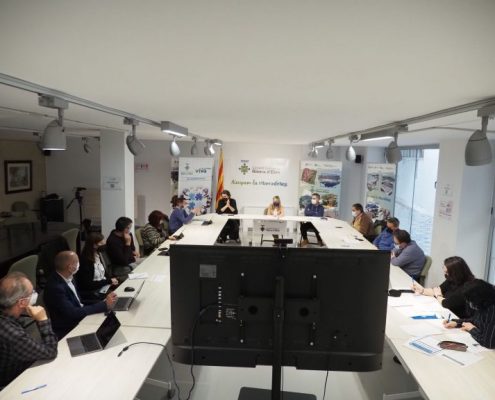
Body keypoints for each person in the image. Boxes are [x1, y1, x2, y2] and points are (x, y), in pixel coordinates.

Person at [0, 272, 58, 387]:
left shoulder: (6, 314)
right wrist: (43, 320)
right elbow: (50, 351)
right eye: (32, 292)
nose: (35, 294)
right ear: (22, 302)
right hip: (10, 384)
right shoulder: (13, 334)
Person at [44, 251, 117, 339]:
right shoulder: (55, 288)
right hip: (70, 327)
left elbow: (78, 299)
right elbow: (73, 313)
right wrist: (103, 305)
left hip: (80, 315)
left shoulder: (68, 275)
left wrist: (103, 300)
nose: (79, 264)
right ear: (70, 267)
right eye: (77, 262)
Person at [443, 279, 495, 349]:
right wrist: (457, 323)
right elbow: (476, 320)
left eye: (471, 301)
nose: (470, 304)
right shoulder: (484, 302)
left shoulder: (491, 309)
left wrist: (471, 329)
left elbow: (488, 343)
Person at [76, 232, 119, 302]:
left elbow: (104, 274)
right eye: (101, 243)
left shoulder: (98, 255)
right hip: (94, 292)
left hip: (103, 287)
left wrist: (111, 280)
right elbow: (88, 284)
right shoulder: (85, 261)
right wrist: (108, 281)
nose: (104, 244)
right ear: (94, 245)